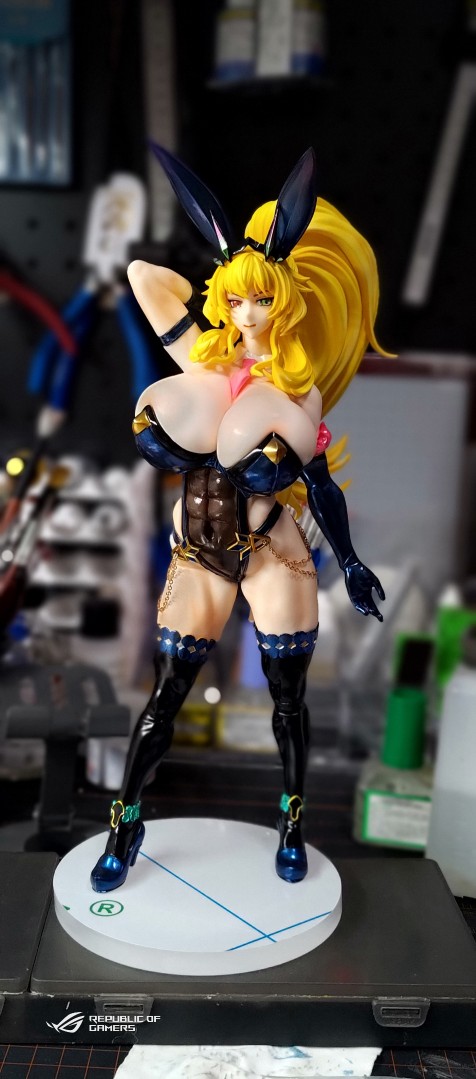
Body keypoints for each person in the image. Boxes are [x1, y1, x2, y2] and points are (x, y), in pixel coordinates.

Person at [91, 146, 386, 893]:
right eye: (236, 299)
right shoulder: (202, 355)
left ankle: (292, 818)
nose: (246, 313)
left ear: (284, 303)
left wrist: (351, 563)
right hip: (198, 550)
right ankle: (125, 822)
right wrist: (229, 255)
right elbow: (143, 277)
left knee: (287, 698)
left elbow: (319, 484)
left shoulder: (298, 389)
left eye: (260, 299)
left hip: (269, 548)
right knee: (166, 696)